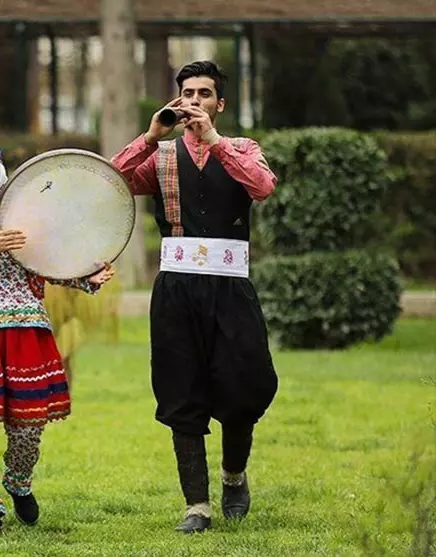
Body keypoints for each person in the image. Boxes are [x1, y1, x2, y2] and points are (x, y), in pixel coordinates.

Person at [110, 61, 279, 533]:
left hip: (230, 286)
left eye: (205, 94)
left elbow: (262, 187)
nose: (195, 102)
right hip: (176, 288)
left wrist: (215, 142)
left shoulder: (242, 149)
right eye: (188, 94)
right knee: (180, 389)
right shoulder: (161, 156)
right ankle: (196, 506)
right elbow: (112, 178)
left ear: (219, 104)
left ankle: (234, 475)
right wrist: (149, 136)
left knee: (244, 385)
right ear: (177, 100)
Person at [0, 133, 115, 535]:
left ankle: (18, 480)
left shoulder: (29, 212)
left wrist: (87, 277)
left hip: (25, 328)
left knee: (29, 425)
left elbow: (51, 261)